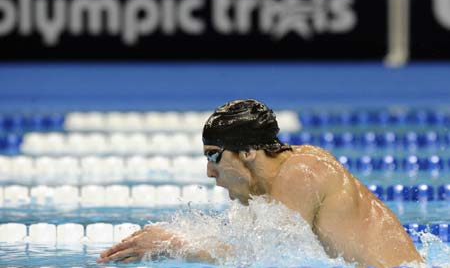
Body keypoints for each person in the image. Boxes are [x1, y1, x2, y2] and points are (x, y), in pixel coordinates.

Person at [97, 99, 423, 267]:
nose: (210, 173)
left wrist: (174, 245)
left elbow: (264, 256)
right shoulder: (286, 172)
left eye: (214, 157)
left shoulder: (301, 173)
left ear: (249, 151)